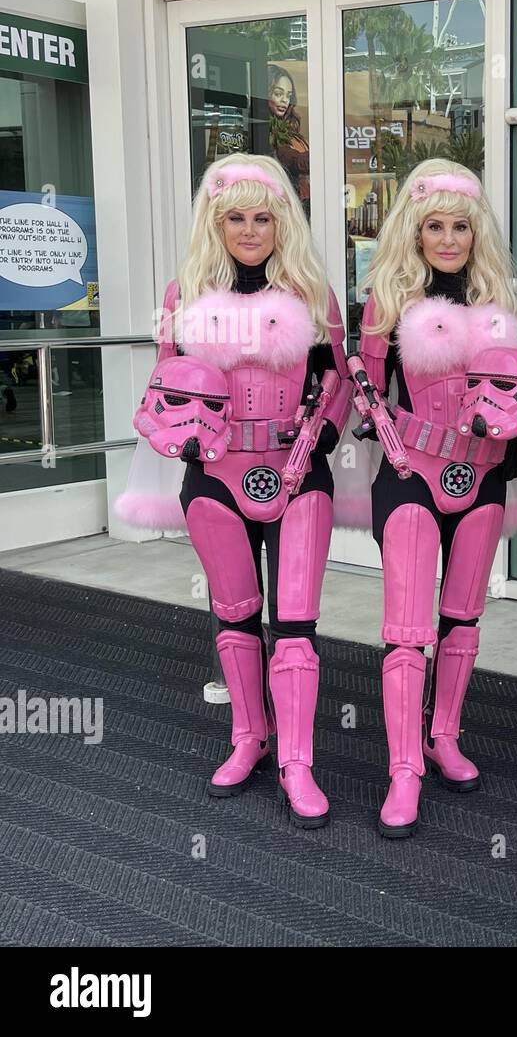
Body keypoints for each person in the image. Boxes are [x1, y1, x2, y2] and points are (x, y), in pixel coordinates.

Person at [335, 160, 517, 837]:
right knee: (407, 631)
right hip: (409, 472)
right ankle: (404, 766)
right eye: (434, 226)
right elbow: (365, 393)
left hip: (485, 474)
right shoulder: (386, 303)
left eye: (460, 226)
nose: (448, 239)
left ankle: (444, 736)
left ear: (477, 233)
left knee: (463, 618)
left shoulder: (496, 305)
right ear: (414, 231)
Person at [117, 153, 350, 827]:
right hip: (214, 477)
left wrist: (324, 438)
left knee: (296, 628)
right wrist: (177, 430)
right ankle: (250, 737)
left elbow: (341, 384)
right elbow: (164, 383)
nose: (250, 230)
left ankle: (298, 760)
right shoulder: (182, 296)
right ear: (214, 223)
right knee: (237, 615)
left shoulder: (313, 293)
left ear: (284, 223)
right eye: (235, 218)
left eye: (264, 217)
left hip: (299, 472)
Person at [267, 65, 310, 209]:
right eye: (278, 93)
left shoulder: (289, 129)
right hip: (283, 206)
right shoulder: (267, 132)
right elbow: (291, 159)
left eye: (288, 95)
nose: (285, 100)